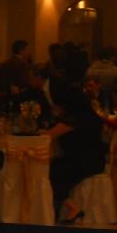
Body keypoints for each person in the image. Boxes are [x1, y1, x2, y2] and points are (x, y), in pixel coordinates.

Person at [47, 80, 107, 220]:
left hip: (82, 161)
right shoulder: (91, 116)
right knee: (55, 165)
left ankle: (73, 207)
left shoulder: (73, 120)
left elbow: (48, 136)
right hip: (96, 160)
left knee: (50, 171)